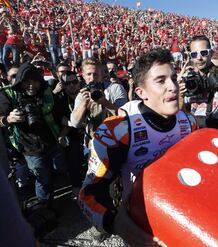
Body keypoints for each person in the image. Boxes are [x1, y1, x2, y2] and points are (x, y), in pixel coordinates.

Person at [79, 48, 197, 246]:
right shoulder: (118, 130)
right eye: (161, 81)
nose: (173, 87)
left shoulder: (189, 122)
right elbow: (87, 195)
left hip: (184, 220)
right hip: (143, 226)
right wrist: (118, 224)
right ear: (141, 92)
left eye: (174, 78)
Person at [0, 62, 66, 207]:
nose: (31, 85)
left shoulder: (46, 91)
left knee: (56, 170)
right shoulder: (8, 95)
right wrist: (9, 119)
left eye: (35, 81)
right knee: (43, 177)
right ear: (20, 82)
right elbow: (1, 120)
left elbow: (59, 114)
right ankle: (44, 207)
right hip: (30, 148)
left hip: (52, 141)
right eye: (27, 82)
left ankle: (50, 195)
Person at [70, 58, 127, 146]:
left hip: (116, 141)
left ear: (101, 75)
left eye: (95, 74)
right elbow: (75, 123)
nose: (92, 78)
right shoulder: (82, 95)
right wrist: (84, 104)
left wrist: (104, 102)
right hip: (92, 143)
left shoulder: (115, 88)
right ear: (83, 76)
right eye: (89, 74)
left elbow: (125, 117)